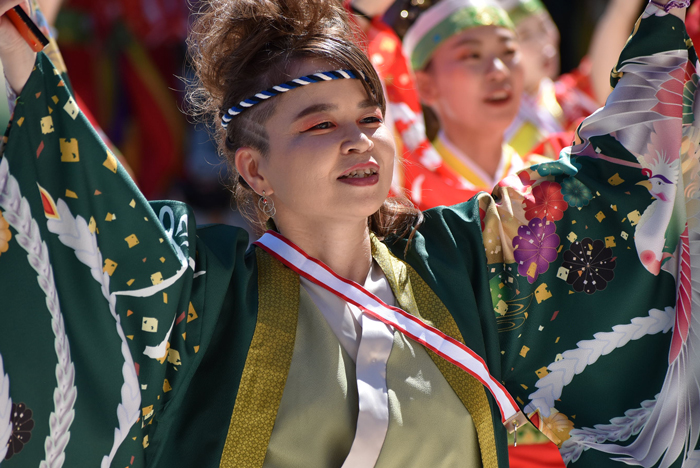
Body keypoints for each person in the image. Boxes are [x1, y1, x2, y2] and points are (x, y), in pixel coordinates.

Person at [0, 1, 698, 468]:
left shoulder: (467, 266)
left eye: (367, 119)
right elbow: (90, 216)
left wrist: (677, 24)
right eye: (318, 124)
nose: (359, 142)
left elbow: (620, 176)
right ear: (254, 169)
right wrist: (21, 42)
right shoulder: (201, 298)